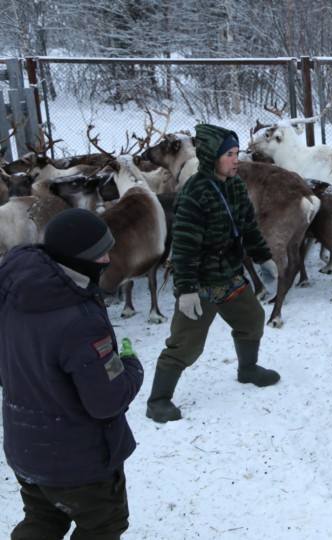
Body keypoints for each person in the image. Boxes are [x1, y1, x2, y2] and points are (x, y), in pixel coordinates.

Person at [0, 208, 144, 539]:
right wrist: (131, 365)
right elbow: (106, 401)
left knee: (42, 519)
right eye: (100, 254)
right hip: (79, 464)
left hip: (25, 448)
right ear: (77, 260)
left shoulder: (12, 292)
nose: (107, 260)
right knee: (102, 525)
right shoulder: (79, 319)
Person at [146, 123, 280, 423]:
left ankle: (247, 370)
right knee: (185, 346)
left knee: (252, 320)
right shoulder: (194, 194)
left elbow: (247, 226)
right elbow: (183, 247)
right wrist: (187, 289)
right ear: (210, 157)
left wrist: (263, 258)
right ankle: (158, 400)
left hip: (230, 277)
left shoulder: (234, 186)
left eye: (236, 153)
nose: (236, 159)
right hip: (200, 283)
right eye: (229, 154)